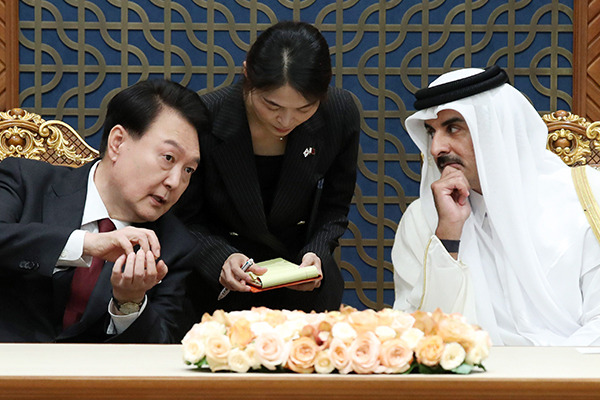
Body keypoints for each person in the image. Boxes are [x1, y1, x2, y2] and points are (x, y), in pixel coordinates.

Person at [392, 66, 600, 346]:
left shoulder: (586, 197)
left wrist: (542, 382)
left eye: (453, 128)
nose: (436, 148)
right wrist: (448, 236)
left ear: (495, 130)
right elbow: (415, 333)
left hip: (571, 380)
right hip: (469, 385)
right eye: (431, 132)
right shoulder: (422, 220)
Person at [0, 79, 208, 343]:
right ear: (118, 142)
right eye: (168, 158)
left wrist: (129, 304)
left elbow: (165, 350)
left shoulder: (174, 246)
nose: (175, 182)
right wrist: (86, 244)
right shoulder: (26, 181)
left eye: (189, 170)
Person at [174, 21, 360, 316]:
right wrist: (221, 258)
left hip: (300, 274)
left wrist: (317, 252)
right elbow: (182, 217)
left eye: (303, 108)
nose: (285, 121)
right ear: (247, 73)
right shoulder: (205, 117)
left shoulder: (339, 112)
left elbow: (334, 206)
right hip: (221, 280)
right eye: (271, 105)